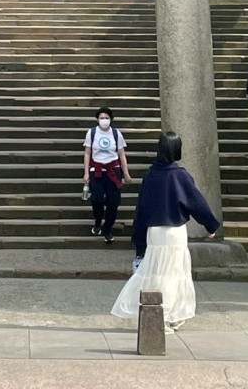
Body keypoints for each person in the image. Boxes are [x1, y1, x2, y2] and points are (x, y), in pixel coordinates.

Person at [111, 130, 220, 330]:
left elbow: (141, 208)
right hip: (174, 232)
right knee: (173, 273)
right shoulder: (180, 175)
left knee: (155, 273)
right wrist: (210, 224)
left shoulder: (150, 174)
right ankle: (167, 314)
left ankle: (158, 313)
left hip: (154, 231)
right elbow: (196, 202)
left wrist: (139, 240)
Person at [83, 106, 132, 243]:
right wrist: (86, 172)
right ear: (97, 120)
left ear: (111, 119)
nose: (104, 120)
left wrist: (126, 174)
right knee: (97, 199)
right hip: (97, 170)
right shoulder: (92, 133)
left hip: (113, 170)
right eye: (101, 118)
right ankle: (98, 221)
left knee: (113, 202)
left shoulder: (116, 134)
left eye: (106, 118)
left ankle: (108, 228)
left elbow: (122, 155)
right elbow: (87, 153)